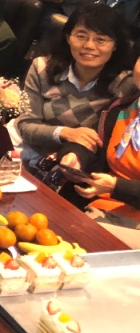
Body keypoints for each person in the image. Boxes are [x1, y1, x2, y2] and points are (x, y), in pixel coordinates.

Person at [15, 3, 133, 166]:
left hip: (74, 162)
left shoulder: (124, 85)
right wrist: (65, 133)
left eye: (100, 39)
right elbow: (25, 125)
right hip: (26, 148)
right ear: (67, 37)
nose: (89, 46)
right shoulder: (42, 68)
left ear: (115, 46)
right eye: (81, 36)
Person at [59, 53, 140, 221]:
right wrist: (75, 157)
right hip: (99, 206)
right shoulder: (122, 107)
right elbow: (92, 140)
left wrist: (117, 186)